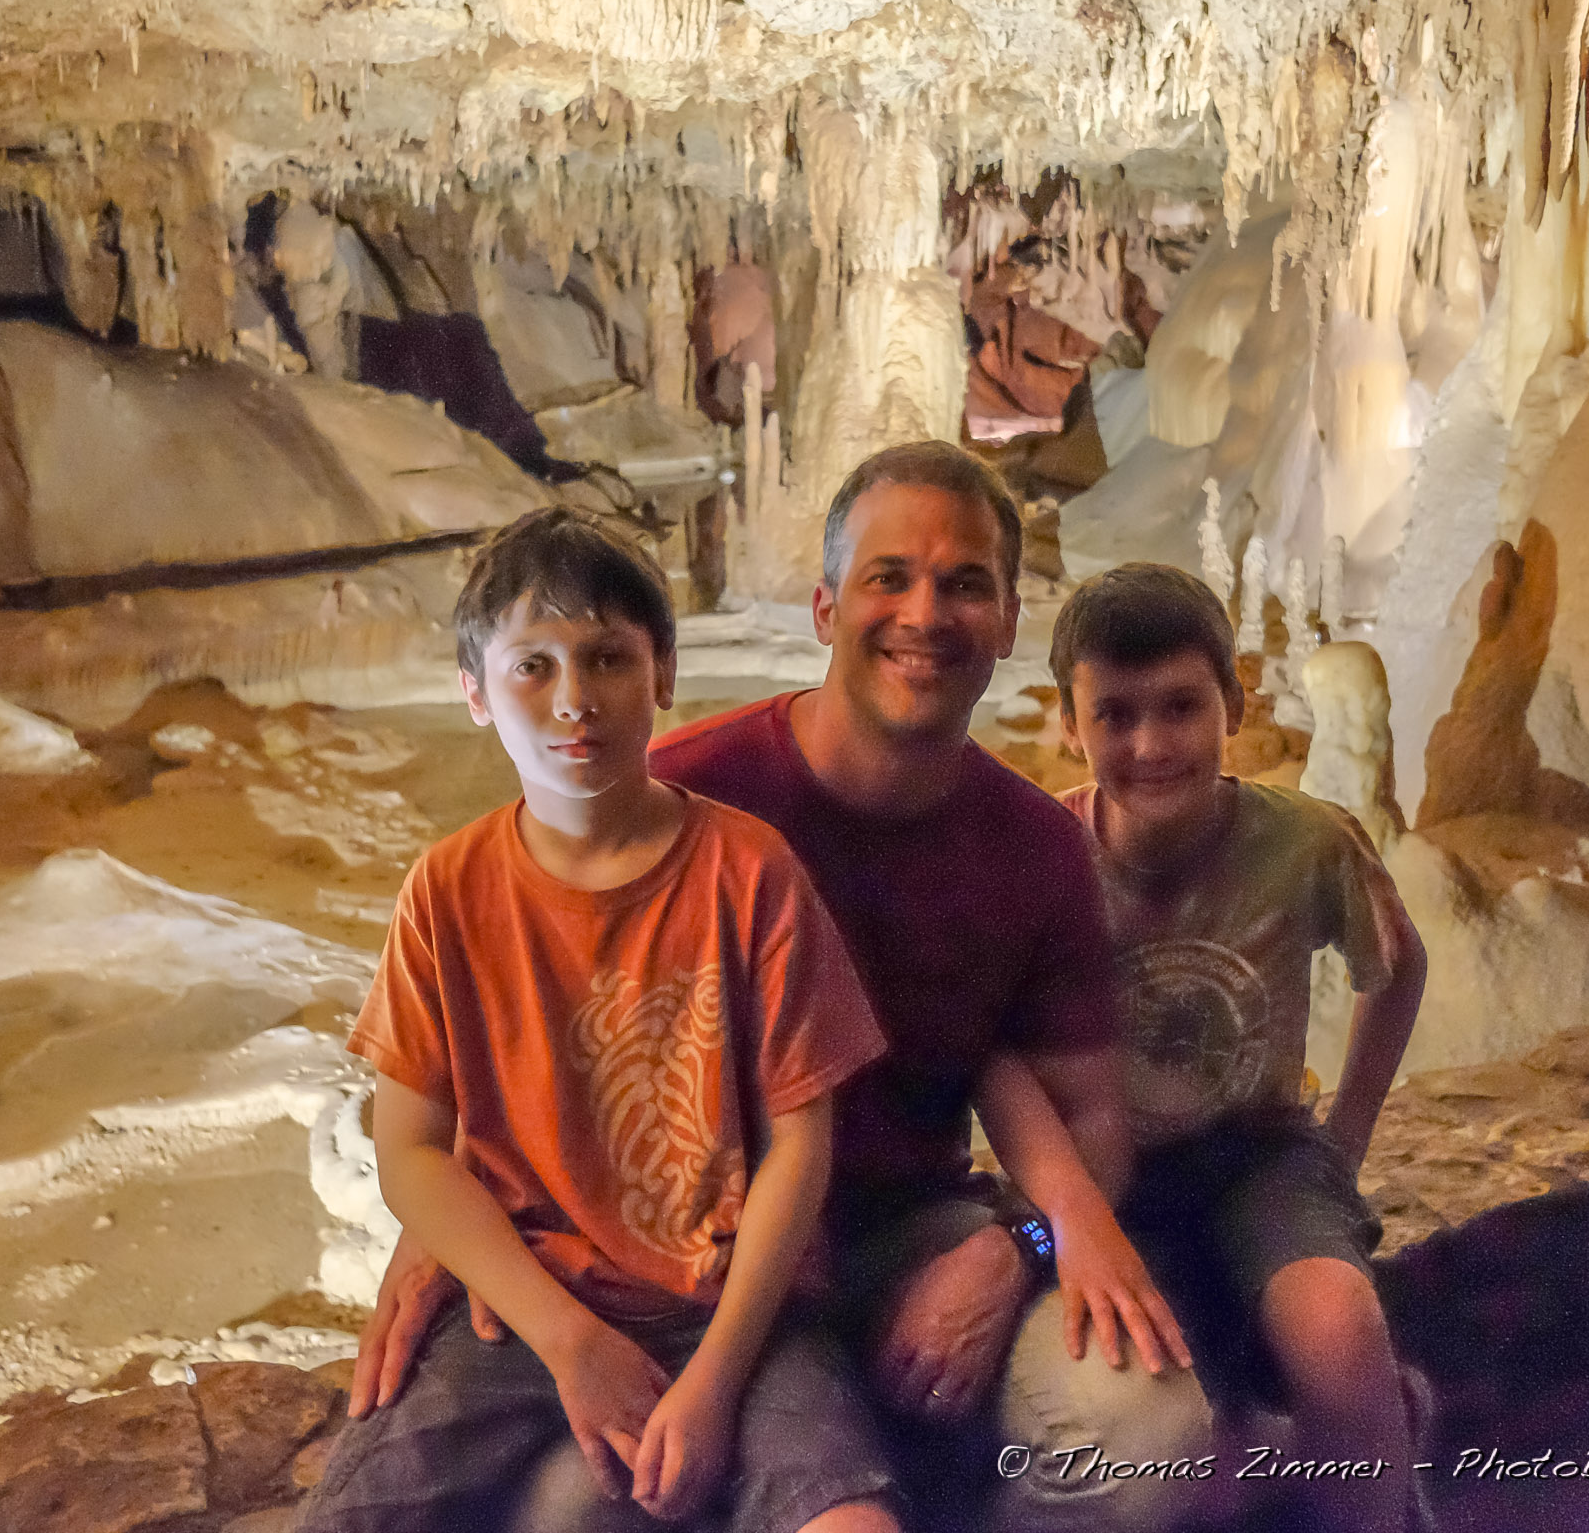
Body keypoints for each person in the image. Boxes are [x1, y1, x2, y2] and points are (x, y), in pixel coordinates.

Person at [353, 444, 1225, 1533]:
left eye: (964, 584)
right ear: (825, 607)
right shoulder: (681, 790)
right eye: (888, 577)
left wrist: (1016, 1253)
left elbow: (1091, 1123)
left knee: (1151, 1442)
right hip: (668, 1259)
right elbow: (527, 1000)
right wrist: (441, 1234)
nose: (925, 614)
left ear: (1009, 619)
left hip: (908, 1232)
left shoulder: (1034, 849)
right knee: (583, 1501)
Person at [299, 507, 902, 1533]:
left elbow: (800, 1144)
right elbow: (410, 1149)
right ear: (475, 693)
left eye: (608, 658)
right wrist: (570, 1342)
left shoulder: (749, 873)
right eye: (531, 666)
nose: (574, 699)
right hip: (524, 1310)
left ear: (662, 674)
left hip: (736, 1316)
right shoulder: (448, 891)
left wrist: (714, 1381)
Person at [978, 561, 1429, 1533]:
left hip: (1260, 1156)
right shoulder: (1041, 861)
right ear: (1069, 726)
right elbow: (992, 1046)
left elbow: (1396, 969)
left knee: (1340, 1330)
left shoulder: (1305, 842)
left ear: (1235, 701)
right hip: (1094, 1186)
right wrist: (1048, 1223)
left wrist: (1344, 1142)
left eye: (1182, 707)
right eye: (1115, 714)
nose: (1151, 744)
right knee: (1141, 1407)